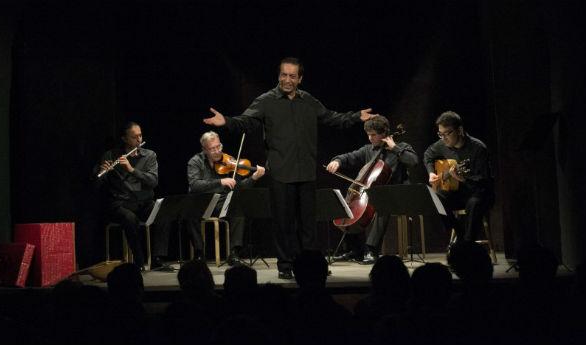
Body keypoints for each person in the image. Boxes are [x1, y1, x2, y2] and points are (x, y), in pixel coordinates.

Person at [203, 57, 377, 279]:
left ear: (300, 79)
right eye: (283, 75)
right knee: (283, 224)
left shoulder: (308, 101)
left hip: (305, 171)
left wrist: (356, 117)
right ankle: (285, 266)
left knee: (308, 225)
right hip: (280, 173)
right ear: (278, 76)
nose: (287, 79)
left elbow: (332, 118)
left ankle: (310, 266)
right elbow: (245, 122)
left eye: (292, 76)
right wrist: (225, 121)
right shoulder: (266, 101)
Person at [326, 115, 418, 264]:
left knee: (383, 205)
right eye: (368, 134)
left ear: (384, 133)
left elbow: (413, 161)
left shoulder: (402, 147)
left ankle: (371, 249)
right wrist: (337, 161)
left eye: (373, 135)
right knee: (350, 210)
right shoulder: (369, 150)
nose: (370, 138)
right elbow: (350, 157)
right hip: (373, 194)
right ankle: (354, 250)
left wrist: (395, 148)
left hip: (396, 194)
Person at [94, 122, 172, 271]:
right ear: (124, 138)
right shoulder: (111, 155)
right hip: (120, 203)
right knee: (130, 219)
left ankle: (157, 258)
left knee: (165, 213)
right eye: (134, 137)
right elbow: (96, 185)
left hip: (144, 202)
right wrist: (103, 172)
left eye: (140, 135)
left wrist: (131, 169)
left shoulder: (149, 155)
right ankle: (139, 260)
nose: (138, 139)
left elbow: (153, 181)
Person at [186, 131, 266, 265]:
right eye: (212, 149)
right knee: (189, 211)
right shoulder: (195, 161)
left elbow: (238, 187)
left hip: (221, 202)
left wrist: (253, 177)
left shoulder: (229, 161)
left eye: (219, 146)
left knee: (238, 207)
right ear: (204, 149)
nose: (217, 151)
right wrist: (219, 182)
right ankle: (199, 253)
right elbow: (194, 185)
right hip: (201, 202)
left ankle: (234, 253)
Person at [424, 111, 494, 244]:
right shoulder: (442, 145)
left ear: (460, 130)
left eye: (447, 133)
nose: (443, 138)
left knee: (474, 203)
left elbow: (484, 181)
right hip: (457, 193)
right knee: (435, 197)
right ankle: (460, 233)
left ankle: (468, 244)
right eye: (440, 134)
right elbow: (427, 155)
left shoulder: (478, 148)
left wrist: (464, 179)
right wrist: (431, 172)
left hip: (479, 193)